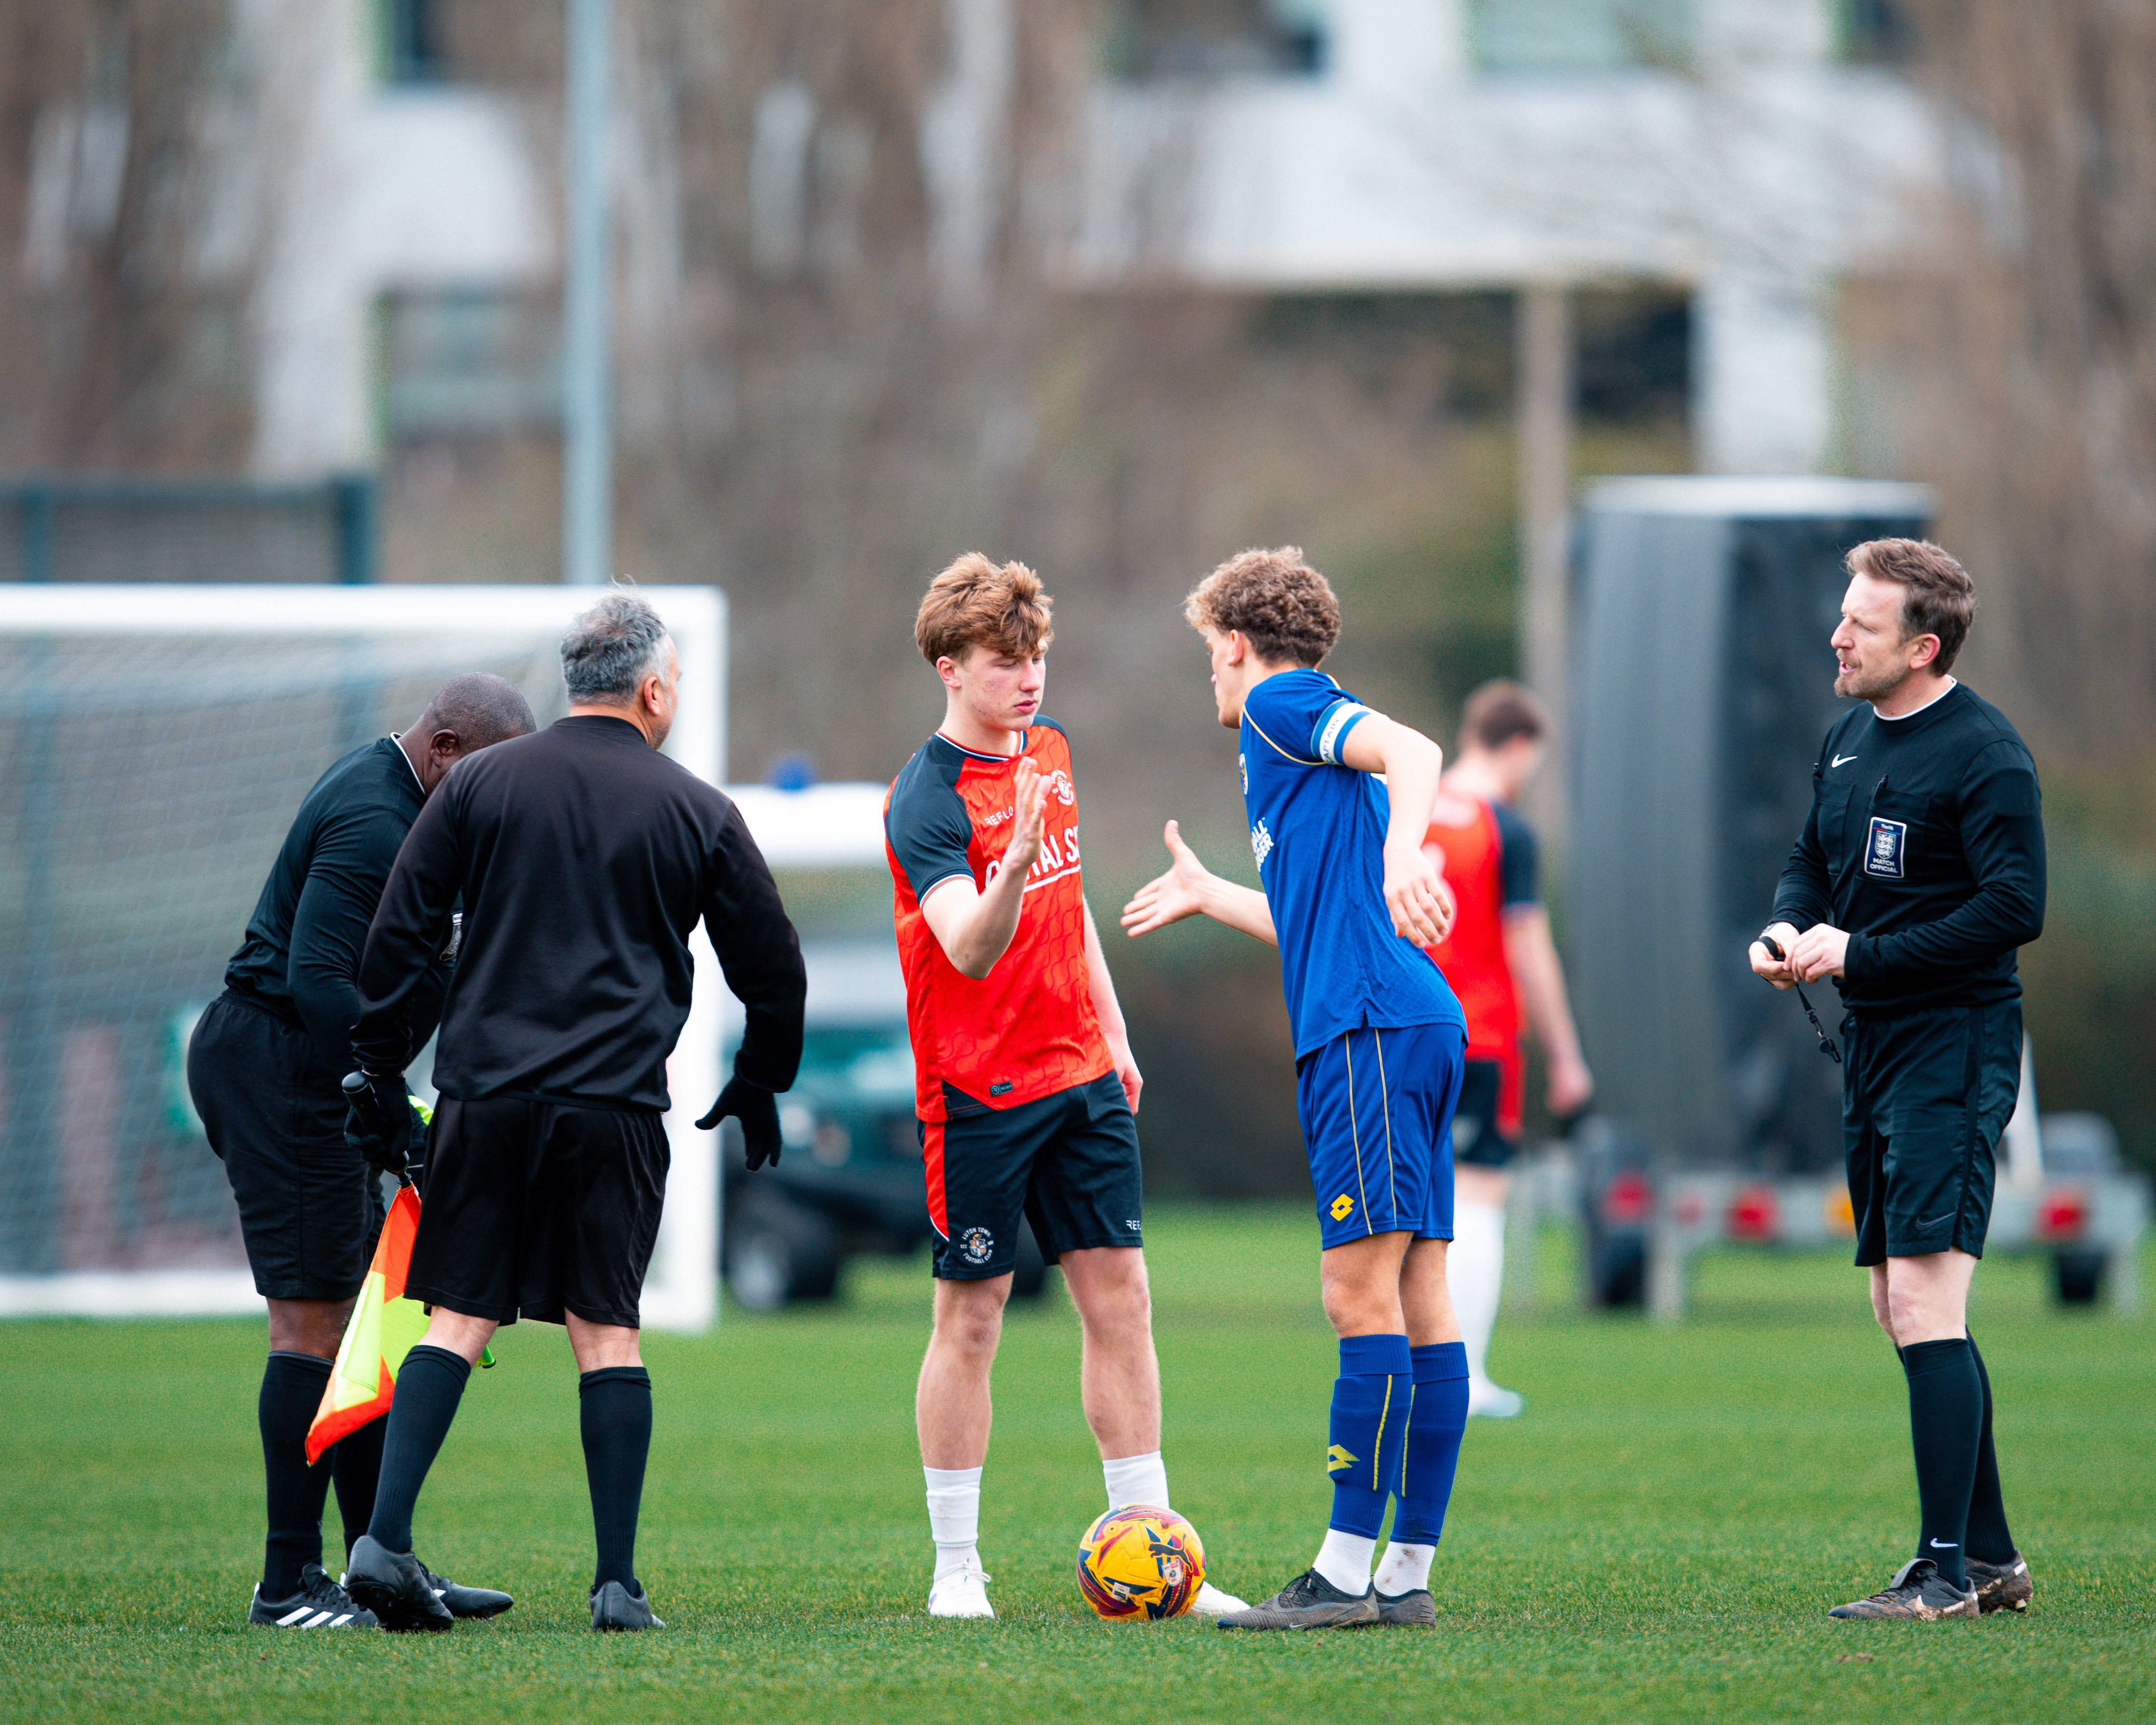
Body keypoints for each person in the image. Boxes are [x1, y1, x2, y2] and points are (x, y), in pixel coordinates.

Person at [339, 589, 808, 1633]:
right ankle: (614, 1586)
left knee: (457, 1316)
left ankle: (381, 1540)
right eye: (674, 681)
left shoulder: (482, 785)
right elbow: (771, 967)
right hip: (612, 1108)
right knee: (606, 1332)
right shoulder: (696, 808)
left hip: (485, 1097)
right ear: (651, 689)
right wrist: (762, 1077)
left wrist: (376, 1071)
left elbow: (397, 929)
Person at [885, 553, 1244, 1621]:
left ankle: (1155, 1553)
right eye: (1004, 662)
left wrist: (1116, 1027)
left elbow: (1066, 902)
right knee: (975, 1320)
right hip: (980, 1094)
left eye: (1037, 656)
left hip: (1080, 1075)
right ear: (950, 668)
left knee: (1122, 1302)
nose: (1028, 678)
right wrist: (1008, 865)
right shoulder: (925, 799)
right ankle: (958, 1565)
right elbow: (970, 946)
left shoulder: (1051, 750)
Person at [1122, 545, 1471, 1631]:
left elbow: (1413, 747)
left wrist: (1410, 850)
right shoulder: (1293, 759)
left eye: (1207, 659)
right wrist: (1210, 891)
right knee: (1417, 1301)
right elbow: (1315, 923)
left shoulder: (1279, 703)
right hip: (1407, 1016)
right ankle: (1403, 1578)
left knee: (1354, 1299)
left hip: (1369, 1031)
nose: (1211, 682)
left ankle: (1337, 1575)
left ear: (1232, 644)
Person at [187, 673, 534, 1631]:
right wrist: (387, 1094)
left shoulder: (428, 812)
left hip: (318, 1074)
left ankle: (382, 1565)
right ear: (449, 751)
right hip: (282, 1069)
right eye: (491, 779)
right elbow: (317, 981)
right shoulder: (377, 818)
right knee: (313, 1324)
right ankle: (288, 1585)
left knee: (365, 1324)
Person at [1750, 538, 2044, 1622]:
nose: (1836, 636)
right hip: (1871, 1046)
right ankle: (1994, 1557)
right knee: (1895, 1302)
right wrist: (1788, 928)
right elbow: (1809, 861)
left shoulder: (1986, 756)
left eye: (1860, 626)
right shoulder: (1846, 738)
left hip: (1953, 1046)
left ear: (1922, 647)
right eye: (1840, 616)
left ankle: (1941, 1571)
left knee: (1925, 1298)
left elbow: (2016, 909)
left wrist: (1859, 955)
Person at [1420, 680, 1593, 1417]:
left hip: (1402, 1031)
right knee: (1480, 1201)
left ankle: (1411, 1369)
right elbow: (1529, 952)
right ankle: (1467, 1375)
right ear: (1520, 746)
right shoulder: (1506, 831)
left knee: (1411, 1209)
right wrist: (1567, 1054)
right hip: (1481, 1036)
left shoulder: (1409, 804)